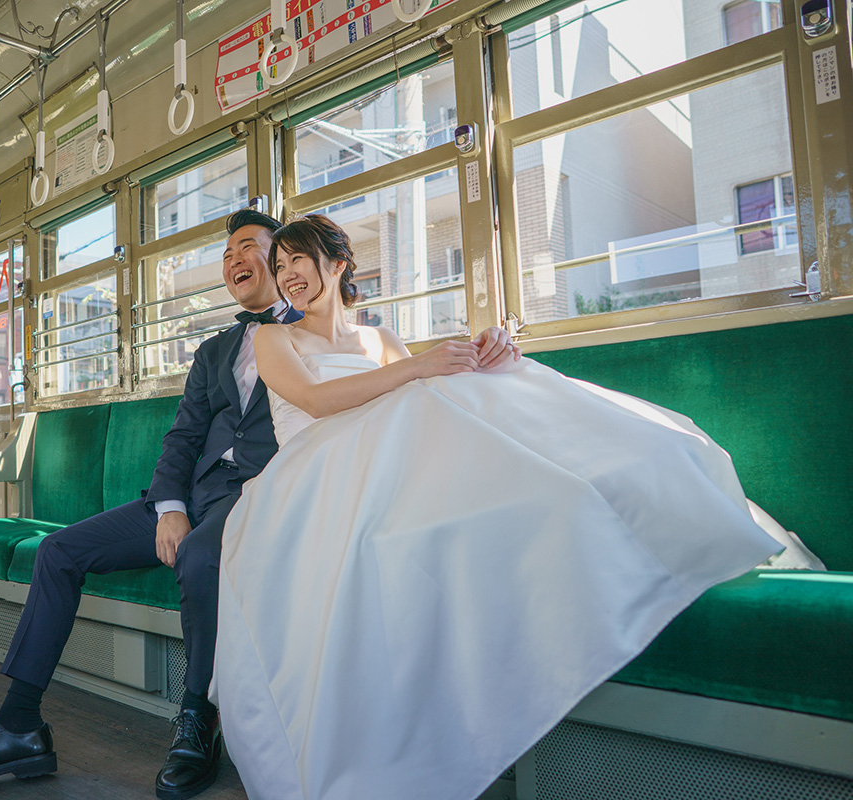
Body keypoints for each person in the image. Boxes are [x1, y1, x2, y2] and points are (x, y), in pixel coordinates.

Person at [211, 215, 780, 800]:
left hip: (380, 457)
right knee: (432, 395)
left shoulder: (379, 339)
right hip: (316, 466)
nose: (286, 277)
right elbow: (316, 400)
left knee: (477, 392)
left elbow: (413, 395)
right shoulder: (273, 338)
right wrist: (423, 364)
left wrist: (478, 357)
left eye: (296, 261)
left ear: (336, 263)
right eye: (279, 268)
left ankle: (616, 483)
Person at [0, 207, 303, 798]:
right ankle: (18, 725)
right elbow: (182, 439)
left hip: (253, 502)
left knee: (200, 557)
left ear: (281, 258)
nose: (233, 261)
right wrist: (169, 504)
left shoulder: (311, 335)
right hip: (187, 500)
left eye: (247, 247)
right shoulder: (214, 350)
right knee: (60, 551)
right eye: (226, 255)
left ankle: (198, 720)